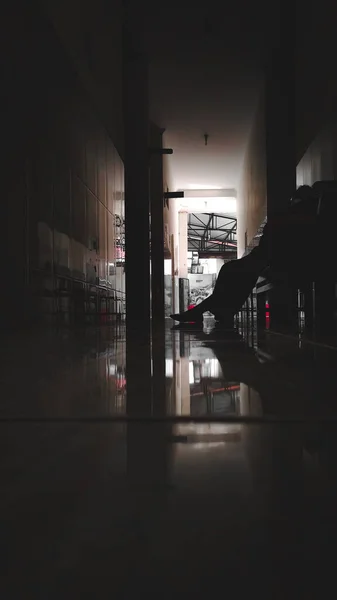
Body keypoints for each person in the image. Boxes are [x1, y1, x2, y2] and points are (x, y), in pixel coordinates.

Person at [170, 185, 320, 325]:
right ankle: (218, 311)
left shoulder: (294, 217)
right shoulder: (304, 217)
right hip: (271, 259)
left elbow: (274, 242)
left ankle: (213, 311)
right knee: (236, 271)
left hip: (273, 260)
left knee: (233, 270)